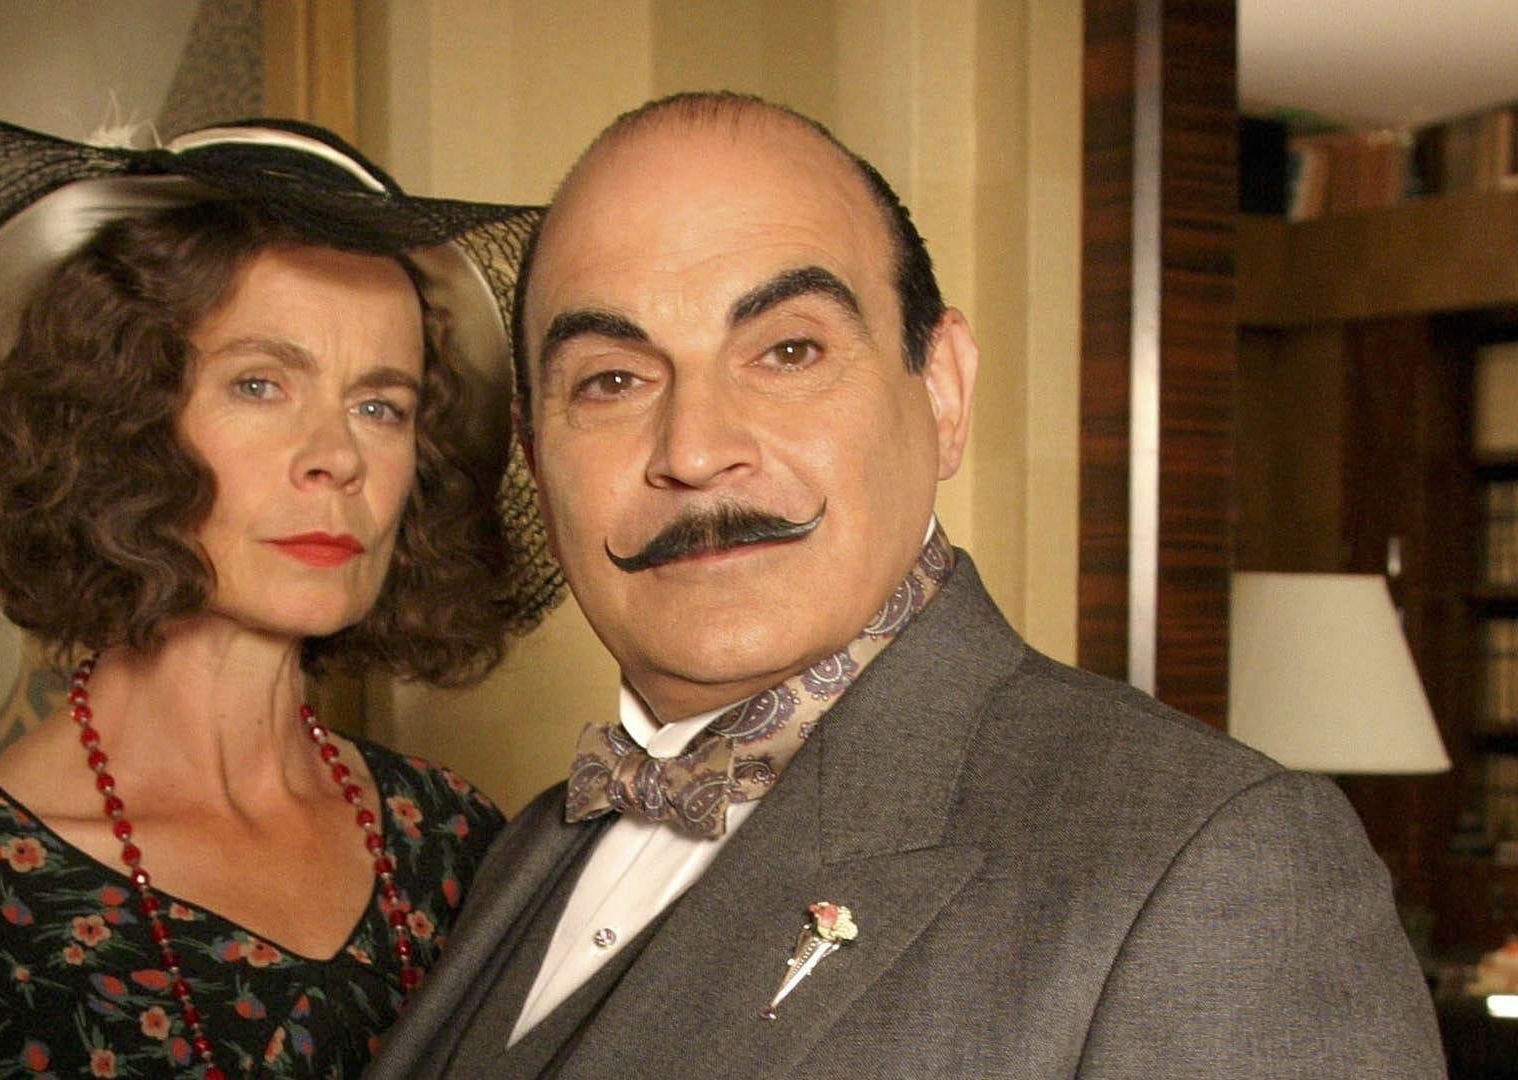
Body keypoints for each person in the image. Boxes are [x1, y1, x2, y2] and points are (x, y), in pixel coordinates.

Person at [369, 92, 1446, 1078]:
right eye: (611, 379)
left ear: (943, 393)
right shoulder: (524, 849)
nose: (694, 450)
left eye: (788, 352)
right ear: (535, 454)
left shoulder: (1215, 868)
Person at [0, 116, 559, 1079]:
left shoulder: (452, 841)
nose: (337, 456)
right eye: (260, 384)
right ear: (124, 420)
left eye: (380, 406)